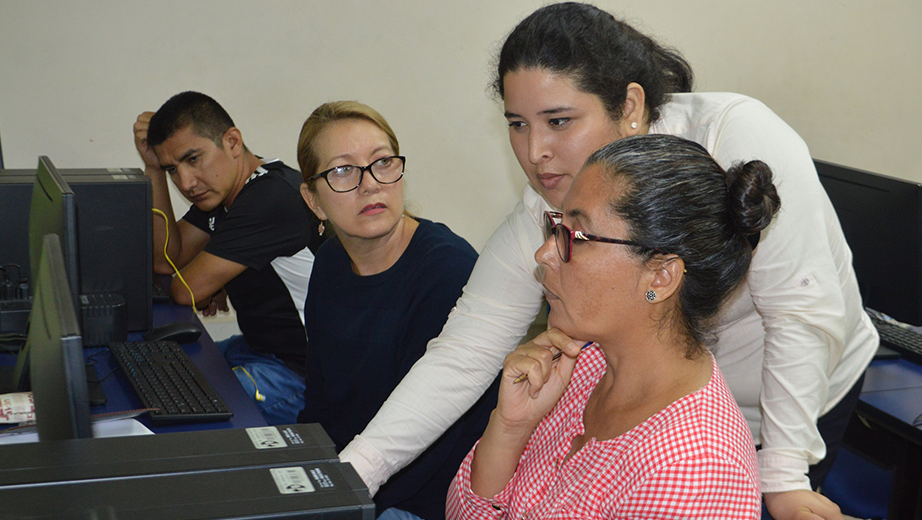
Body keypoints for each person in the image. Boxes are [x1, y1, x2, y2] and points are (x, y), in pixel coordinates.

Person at [339, 4, 878, 519]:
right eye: (518, 124)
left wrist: (783, 474)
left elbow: (801, 310)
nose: (535, 152)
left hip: (789, 403)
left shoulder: (734, 137)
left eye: (558, 120)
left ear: (630, 107)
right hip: (655, 414)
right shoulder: (554, 206)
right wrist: (354, 472)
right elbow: (465, 350)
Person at [447, 134, 770, 518]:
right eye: (555, 226)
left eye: (575, 237)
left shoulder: (694, 471)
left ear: (660, 278)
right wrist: (511, 426)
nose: (544, 253)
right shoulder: (585, 364)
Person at [295, 101, 499, 520]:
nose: (370, 184)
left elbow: (434, 440)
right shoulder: (329, 261)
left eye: (382, 162)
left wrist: (342, 500)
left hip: (419, 496)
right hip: (353, 473)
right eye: (342, 170)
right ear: (313, 200)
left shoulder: (447, 269)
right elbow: (318, 398)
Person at [133, 91, 323, 426]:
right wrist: (152, 169)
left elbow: (184, 290)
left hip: (303, 375)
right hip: (258, 347)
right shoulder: (227, 193)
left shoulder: (270, 198)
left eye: (193, 159)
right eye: (172, 170)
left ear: (233, 142)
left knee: (179, 409)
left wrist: (208, 281)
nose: (186, 182)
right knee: (152, 374)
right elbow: (167, 260)